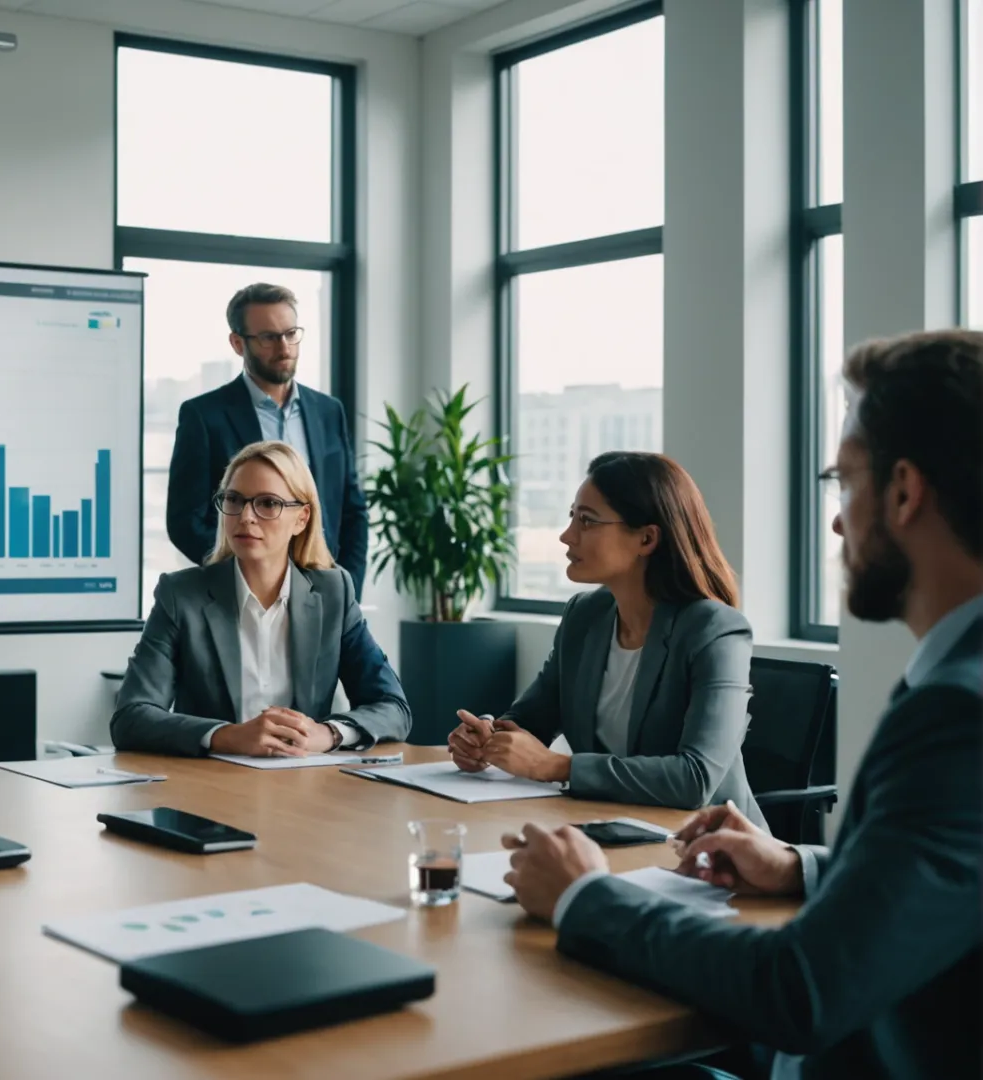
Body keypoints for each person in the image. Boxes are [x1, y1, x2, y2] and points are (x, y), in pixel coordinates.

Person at [505, 330, 982, 1080]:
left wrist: (586, 898)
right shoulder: (954, 679)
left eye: (841, 481)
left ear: (903, 491)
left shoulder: (960, 712)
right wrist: (800, 865)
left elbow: (802, 988)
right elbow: (951, 880)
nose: (834, 520)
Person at [448, 452, 762, 822]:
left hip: (710, 848)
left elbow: (694, 780)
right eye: (572, 517)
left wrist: (559, 768)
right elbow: (529, 722)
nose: (567, 536)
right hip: (606, 826)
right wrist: (485, 738)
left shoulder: (715, 630)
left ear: (646, 539)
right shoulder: (584, 616)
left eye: (587, 521)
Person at [114, 441, 409, 757]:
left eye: (268, 503)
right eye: (234, 500)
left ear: (301, 518)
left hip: (306, 786)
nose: (246, 517)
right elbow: (131, 716)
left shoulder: (333, 592)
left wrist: (329, 734)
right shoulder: (182, 595)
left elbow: (392, 707)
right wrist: (227, 736)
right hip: (210, 788)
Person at [165, 283, 369, 593]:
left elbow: (351, 509)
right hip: (243, 595)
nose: (284, 348)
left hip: (322, 590)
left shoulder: (329, 411)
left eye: (290, 334)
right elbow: (185, 520)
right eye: (268, 338)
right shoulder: (204, 416)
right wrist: (244, 576)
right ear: (237, 343)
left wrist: (347, 586)